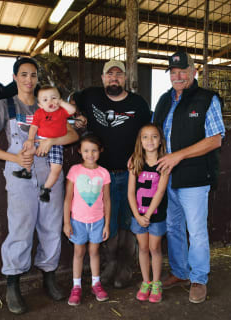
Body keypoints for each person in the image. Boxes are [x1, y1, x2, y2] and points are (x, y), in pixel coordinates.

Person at [0, 57, 79, 314]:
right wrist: (15, 157)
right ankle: (13, 283)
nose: (29, 80)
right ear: (15, 77)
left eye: (33, 75)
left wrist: (53, 140)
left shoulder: (49, 103)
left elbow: (73, 134)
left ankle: (48, 276)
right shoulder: (5, 106)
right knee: (21, 225)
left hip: (50, 172)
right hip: (20, 172)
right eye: (24, 75)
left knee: (51, 223)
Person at [152, 52, 225, 304]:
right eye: (173, 72)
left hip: (194, 177)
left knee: (196, 230)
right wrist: (140, 156)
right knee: (173, 227)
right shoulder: (164, 100)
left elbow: (215, 139)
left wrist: (178, 156)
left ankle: (199, 278)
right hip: (167, 176)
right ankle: (180, 272)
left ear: (195, 72)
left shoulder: (207, 99)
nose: (177, 76)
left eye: (183, 71)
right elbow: (155, 135)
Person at [73, 59, 152, 288]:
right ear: (103, 78)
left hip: (130, 174)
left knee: (128, 220)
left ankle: (126, 266)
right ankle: (109, 265)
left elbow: (146, 134)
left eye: (119, 74)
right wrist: (79, 116)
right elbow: (71, 99)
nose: (114, 78)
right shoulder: (90, 96)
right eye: (110, 74)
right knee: (107, 220)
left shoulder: (138, 104)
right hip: (100, 176)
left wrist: (138, 155)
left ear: (125, 78)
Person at [63, 134, 111, 306]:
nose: (90, 154)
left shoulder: (103, 173)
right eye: (86, 151)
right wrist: (67, 222)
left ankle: (96, 284)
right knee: (78, 253)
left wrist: (106, 223)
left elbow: (106, 200)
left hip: (97, 221)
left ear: (100, 151)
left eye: (94, 150)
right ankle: (76, 287)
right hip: (77, 221)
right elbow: (68, 198)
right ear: (79, 151)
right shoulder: (75, 171)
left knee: (94, 252)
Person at [13, 84, 76, 202]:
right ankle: (26, 171)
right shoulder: (39, 113)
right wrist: (30, 139)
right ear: (40, 105)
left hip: (56, 144)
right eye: (45, 100)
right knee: (27, 149)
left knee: (56, 168)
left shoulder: (62, 111)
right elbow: (33, 127)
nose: (50, 101)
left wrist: (61, 103)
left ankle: (46, 188)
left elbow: (72, 110)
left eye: (54, 98)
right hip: (40, 140)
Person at [128, 124, 169, 303]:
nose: (150, 140)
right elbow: (130, 192)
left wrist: (149, 215)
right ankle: (146, 282)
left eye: (154, 136)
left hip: (156, 215)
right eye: (145, 137)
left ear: (160, 140)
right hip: (138, 215)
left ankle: (156, 283)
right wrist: (138, 216)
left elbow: (160, 192)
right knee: (143, 248)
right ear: (140, 141)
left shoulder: (164, 163)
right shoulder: (135, 161)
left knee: (154, 248)